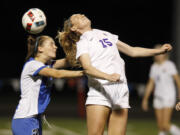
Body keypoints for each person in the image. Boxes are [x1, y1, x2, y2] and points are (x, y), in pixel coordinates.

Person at [57, 14, 172, 135]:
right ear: (74, 28)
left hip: (120, 89)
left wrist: (159, 51)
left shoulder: (105, 34)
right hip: (100, 90)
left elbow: (132, 51)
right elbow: (88, 68)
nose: (82, 15)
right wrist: (108, 76)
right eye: (77, 17)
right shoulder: (82, 43)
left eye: (81, 14)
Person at [11, 35, 85, 135]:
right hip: (26, 119)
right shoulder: (32, 65)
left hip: (33, 119)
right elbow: (57, 74)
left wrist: (76, 46)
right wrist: (85, 73)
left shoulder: (46, 65)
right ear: (40, 49)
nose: (55, 47)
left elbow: (70, 61)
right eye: (51, 44)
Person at [142, 44, 180, 135]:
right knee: (161, 127)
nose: (158, 55)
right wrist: (145, 99)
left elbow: (178, 81)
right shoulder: (154, 67)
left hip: (168, 96)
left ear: (165, 53)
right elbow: (150, 84)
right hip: (157, 97)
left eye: (160, 52)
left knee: (165, 125)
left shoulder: (169, 65)